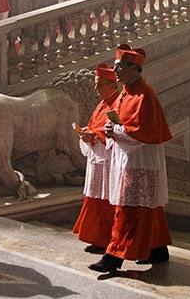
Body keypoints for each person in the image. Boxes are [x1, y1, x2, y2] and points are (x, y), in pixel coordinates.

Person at [88, 45, 172, 272]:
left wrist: (114, 130)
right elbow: (119, 123)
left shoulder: (144, 94)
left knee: (129, 209)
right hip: (128, 158)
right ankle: (157, 250)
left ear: (134, 68)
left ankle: (113, 257)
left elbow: (140, 132)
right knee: (147, 208)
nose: (115, 71)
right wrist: (110, 128)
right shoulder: (126, 92)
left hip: (140, 160)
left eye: (119, 67)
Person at [73, 63, 118, 252]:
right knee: (96, 199)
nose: (96, 89)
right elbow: (96, 124)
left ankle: (105, 239)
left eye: (100, 85)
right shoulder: (102, 103)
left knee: (106, 200)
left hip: (109, 159)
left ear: (113, 85)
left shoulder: (117, 102)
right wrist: (86, 131)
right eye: (96, 84)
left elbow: (116, 129)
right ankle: (97, 237)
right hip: (97, 156)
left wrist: (94, 135)